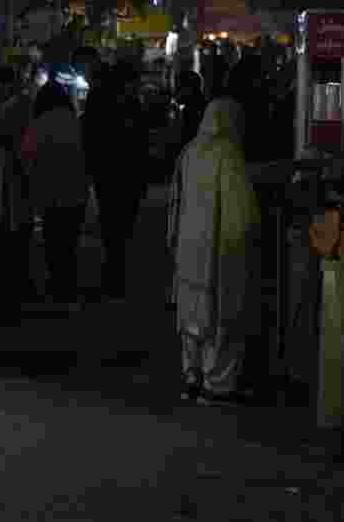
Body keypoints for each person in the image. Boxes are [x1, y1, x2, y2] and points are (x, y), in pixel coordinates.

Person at [168, 98, 261, 406]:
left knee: (192, 318)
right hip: (220, 251)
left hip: (187, 251)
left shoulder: (190, 150)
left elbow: (175, 201)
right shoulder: (229, 154)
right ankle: (217, 385)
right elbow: (243, 212)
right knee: (221, 319)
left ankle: (192, 377)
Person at [82, 61, 148, 302]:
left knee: (116, 231)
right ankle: (114, 278)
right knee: (116, 230)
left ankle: (113, 277)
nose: (138, 87)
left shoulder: (110, 102)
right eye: (135, 83)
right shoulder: (117, 104)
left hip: (113, 177)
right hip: (115, 177)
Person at [22, 80, 90, 309]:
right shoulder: (76, 122)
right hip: (76, 191)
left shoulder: (39, 124)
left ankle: (57, 288)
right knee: (69, 243)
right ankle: (68, 287)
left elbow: (27, 156)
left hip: (50, 192)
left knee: (53, 243)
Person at [0, 63, 43, 316]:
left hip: (14, 175)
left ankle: (17, 287)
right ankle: (22, 283)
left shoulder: (11, 108)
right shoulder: (25, 105)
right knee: (20, 234)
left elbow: (9, 143)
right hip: (22, 177)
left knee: (15, 235)